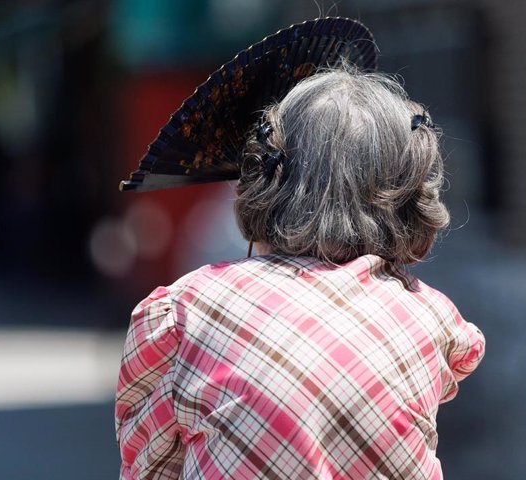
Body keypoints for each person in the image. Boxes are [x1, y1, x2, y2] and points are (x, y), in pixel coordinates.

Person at [115, 19, 485, 478]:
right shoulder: (433, 320)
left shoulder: (184, 310)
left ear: (264, 179)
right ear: (409, 190)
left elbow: (147, 465)